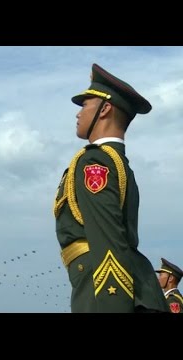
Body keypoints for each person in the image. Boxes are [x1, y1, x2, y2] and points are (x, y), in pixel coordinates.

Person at [53, 63, 169, 313]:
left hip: (105, 290)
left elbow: (108, 238)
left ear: (104, 109)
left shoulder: (95, 161)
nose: (78, 114)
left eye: (85, 105)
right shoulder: (115, 161)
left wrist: (113, 303)